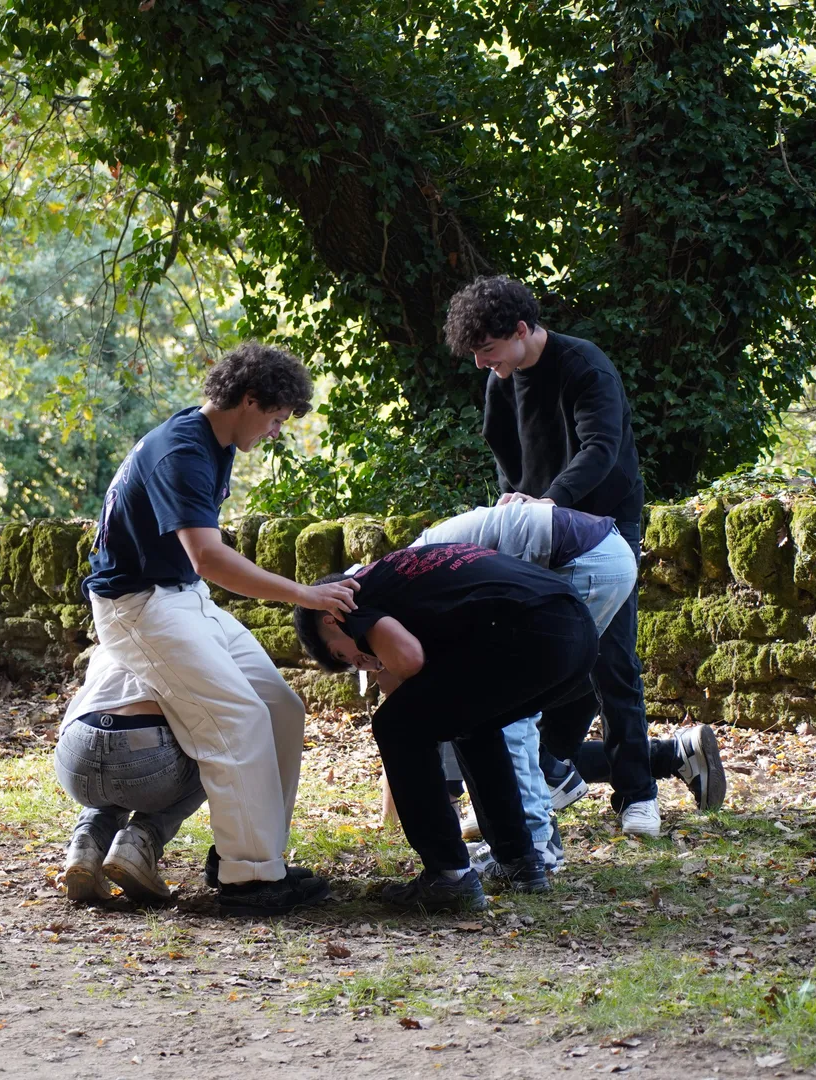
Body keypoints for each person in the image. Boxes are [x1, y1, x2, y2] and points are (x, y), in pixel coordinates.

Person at [75, 342, 358, 918]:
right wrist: (305, 594)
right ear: (249, 400)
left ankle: (253, 856)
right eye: (276, 418)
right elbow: (208, 557)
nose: (276, 432)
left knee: (280, 707)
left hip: (181, 598)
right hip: (138, 606)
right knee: (238, 718)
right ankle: (247, 882)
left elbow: (196, 569)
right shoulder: (182, 450)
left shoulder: (214, 440)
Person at [447, 275, 662, 837]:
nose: (481, 362)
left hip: (605, 525)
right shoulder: (501, 380)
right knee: (537, 649)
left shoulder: (586, 367)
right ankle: (545, 775)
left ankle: (638, 794)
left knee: (612, 657)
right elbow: (505, 458)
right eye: (476, 354)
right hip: (535, 528)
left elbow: (601, 449)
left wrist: (550, 501)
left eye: (488, 349)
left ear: (521, 330)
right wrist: (517, 510)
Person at [405, 503, 724, 867]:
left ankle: (538, 837)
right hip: (597, 556)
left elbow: (439, 698)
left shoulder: (403, 595)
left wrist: (448, 796)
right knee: (505, 706)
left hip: (586, 560)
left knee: (505, 711)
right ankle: (654, 759)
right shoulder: (405, 579)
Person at [293, 544, 599, 912]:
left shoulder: (347, 604)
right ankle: (519, 861)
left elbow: (408, 661)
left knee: (395, 725)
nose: (360, 663)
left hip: (529, 630)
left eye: (342, 654)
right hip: (576, 633)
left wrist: (387, 670)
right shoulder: (392, 580)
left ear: (329, 621)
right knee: (471, 723)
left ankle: (448, 876)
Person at [55, 650, 202, 904]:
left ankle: (87, 842)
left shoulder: (107, 643)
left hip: (75, 749)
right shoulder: (184, 643)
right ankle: (141, 841)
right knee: (209, 760)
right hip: (142, 750)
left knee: (108, 779)